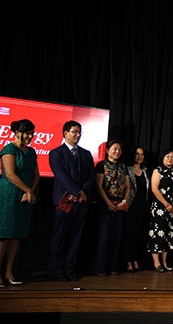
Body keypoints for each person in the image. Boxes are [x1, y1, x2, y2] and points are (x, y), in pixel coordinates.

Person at [48, 120, 95, 282]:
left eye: (79, 132)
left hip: (82, 202)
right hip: (63, 201)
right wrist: (78, 191)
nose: (77, 135)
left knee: (76, 237)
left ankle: (69, 269)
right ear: (65, 133)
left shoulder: (86, 154)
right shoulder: (56, 153)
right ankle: (57, 270)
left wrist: (83, 192)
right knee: (59, 237)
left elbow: (91, 175)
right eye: (74, 132)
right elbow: (61, 175)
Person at [0, 119, 39, 286]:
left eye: (32, 134)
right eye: (27, 133)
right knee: (5, 235)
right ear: (17, 133)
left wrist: (30, 191)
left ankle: (9, 272)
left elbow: (36, 175)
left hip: (25, 196)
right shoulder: (9, 149)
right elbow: (10, 174)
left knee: (17, 235)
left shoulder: (31, 152)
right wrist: (28, 191)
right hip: (9, 194)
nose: (30, 137)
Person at [92, 140, 131, 276]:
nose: (117, 152)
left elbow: (128, 186)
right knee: (104, 237)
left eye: (119, 150)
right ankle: (101, 267)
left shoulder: (123, 166)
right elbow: (99, 186)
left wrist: (124, 201)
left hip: (120, 205)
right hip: (105, 204)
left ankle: (114, 266)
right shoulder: (101, 165)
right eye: (114, 149)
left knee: (117, 237)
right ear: (108, 150)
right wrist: (108, 203)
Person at [147, 148, 173, 272]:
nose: (170, 159)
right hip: (159, 207)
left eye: (172, 157)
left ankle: (165, 262)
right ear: (163, 158)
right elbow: (154, 189)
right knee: (157, 233)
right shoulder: (158, 170)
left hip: (171, 209)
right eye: (167, 157)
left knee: (168, 234)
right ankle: (156, 263)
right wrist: (166, 204)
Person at [123, 146, 151, 272]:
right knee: (129, 234)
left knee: (138, 235)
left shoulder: (145, 171)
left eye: (142, 154)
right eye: (137, 154)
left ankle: (135, 259)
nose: (139, 157)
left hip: (142, 207)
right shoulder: (127, 169)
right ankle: (128, 261)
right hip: (130, 206)